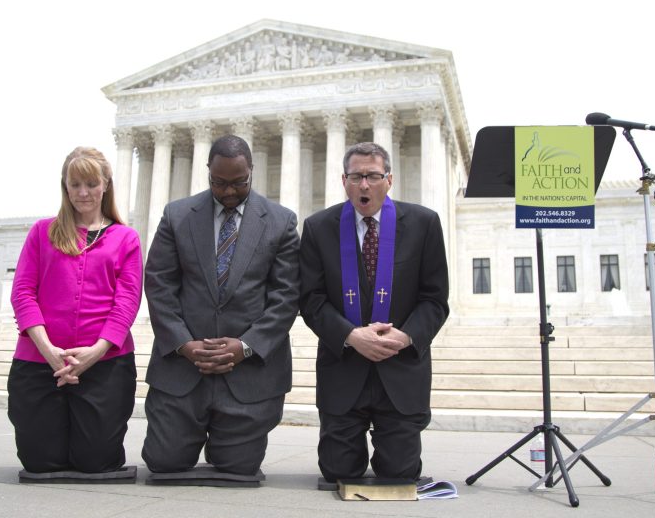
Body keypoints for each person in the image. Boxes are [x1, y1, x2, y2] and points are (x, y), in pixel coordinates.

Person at [142, 134, 299, 476]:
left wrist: (245, 346)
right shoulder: (177, 216)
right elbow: (159, 284)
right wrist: (184, 345)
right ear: (208, 173)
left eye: (239, 183)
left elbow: (286, 296)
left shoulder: (281, 221)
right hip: (184, 369)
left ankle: (227, 439)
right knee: (164, 463)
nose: (229, 191)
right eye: (219, 183)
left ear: (252, 172)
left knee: (237, 468)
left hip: (247, 372)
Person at [299, 142, 449, 482]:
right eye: (356, 176)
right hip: (344, 369)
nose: (364, 185)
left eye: (372, 176)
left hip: (400, 370)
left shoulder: (424, 223)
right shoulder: (319, 227)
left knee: (401, 472)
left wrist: (406, 336)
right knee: (339, 472)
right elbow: (310, 299)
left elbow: (435, 298)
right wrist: (350, 335)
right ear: (344, 180)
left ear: (389, 180)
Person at [8, 146, 142, 473]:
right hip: (40, 361)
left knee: (96, 461)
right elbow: (23, 292)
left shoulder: (126, 238)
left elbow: (127, 302)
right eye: (75, 185)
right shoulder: (42, 232)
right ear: (65, 187)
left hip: (105, 363)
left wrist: (94, 352)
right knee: (40, 462)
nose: (83, 193)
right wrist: (49, 351)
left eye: (91, 184)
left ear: (106, 185)